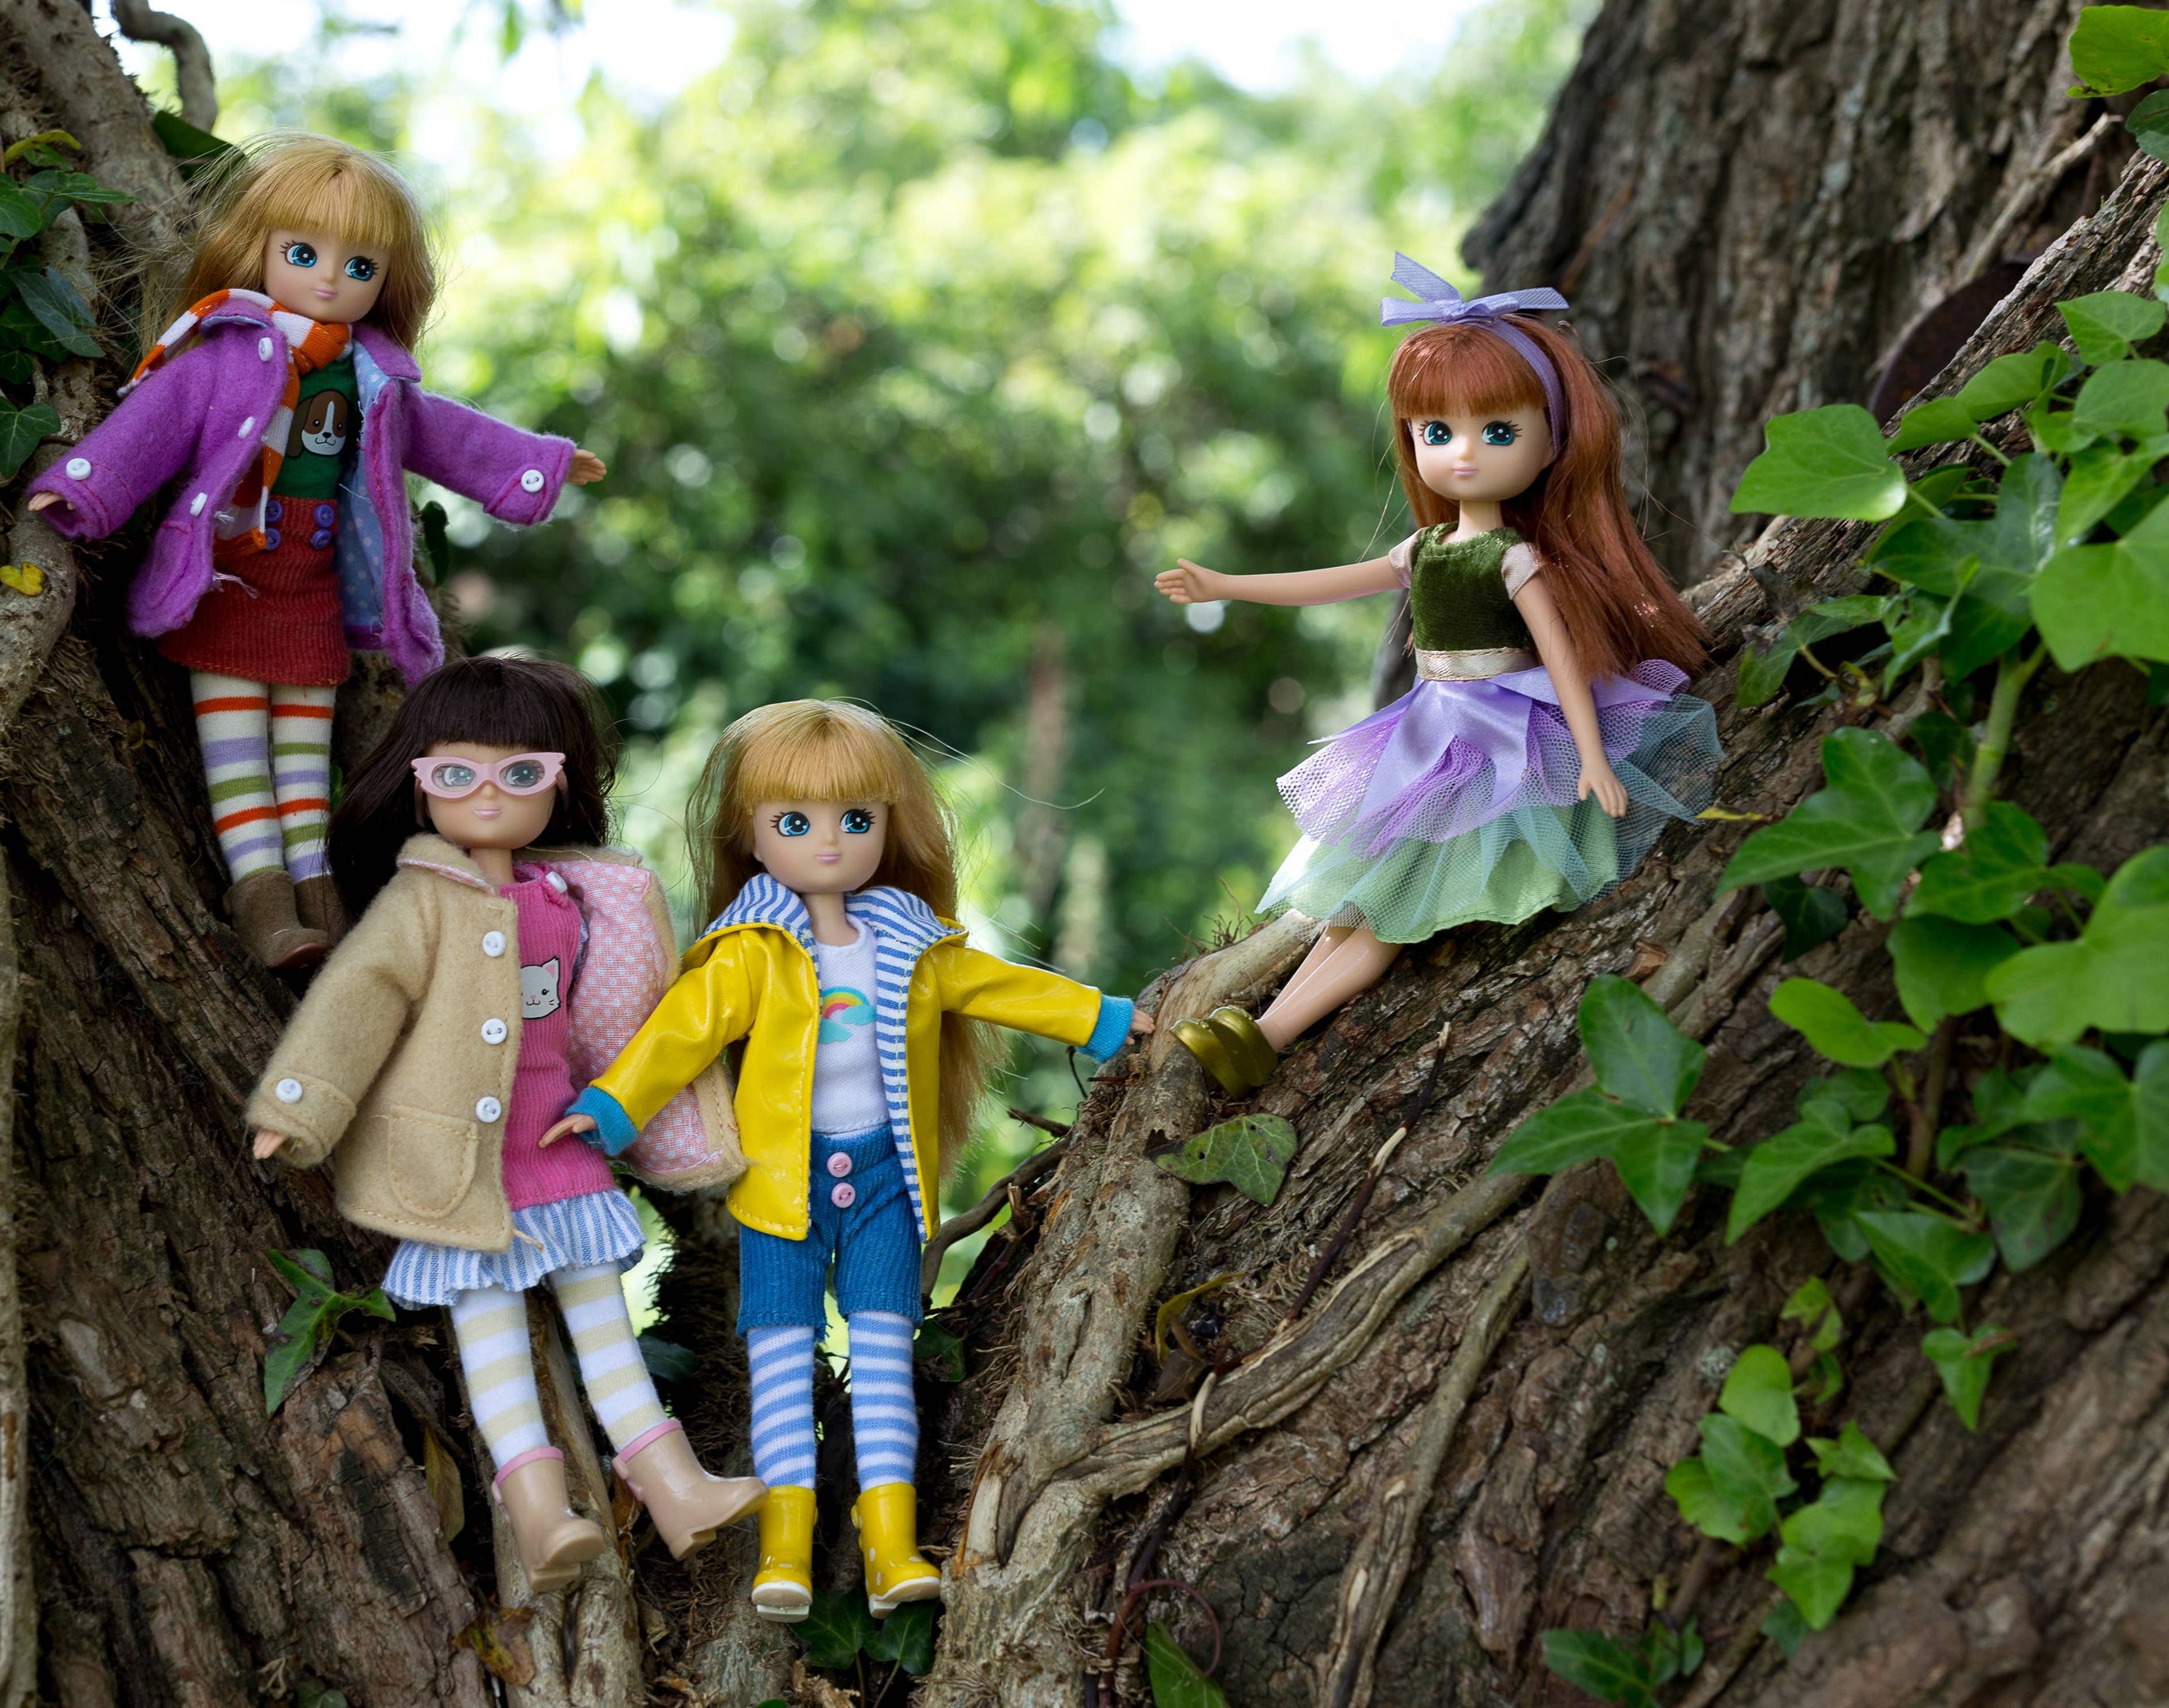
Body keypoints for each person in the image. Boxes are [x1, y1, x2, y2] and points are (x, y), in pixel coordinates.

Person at [542, 701, 1154, 1622]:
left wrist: (1103, 1019)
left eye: (854, 819)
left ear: (887, 826)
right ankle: (785, 1546)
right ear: (750, 836)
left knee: (882, 1357)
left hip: (884, 1183)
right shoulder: (750, 952)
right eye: (794, 823)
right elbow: (680, 1031)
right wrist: (610, 1105)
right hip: (778, 1189)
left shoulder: (912, 943)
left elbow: (1001, 988)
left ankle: (887, 1538)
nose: (827, 843)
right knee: (780, 1361)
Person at [241, 655, 760, 1593]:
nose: (488, 794)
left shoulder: (570, 899)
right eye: (457, 774)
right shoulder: (418, 902)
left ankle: (672, 1484)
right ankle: (537, 1510)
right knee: (492, 1343)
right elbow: (359, 998)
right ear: (419, 783)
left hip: (558, 1153)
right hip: (458, 1168)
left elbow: (610, 1020)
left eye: (520, 773)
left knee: (604, 1325)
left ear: (559, 784)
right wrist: (300, 1103)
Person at [28, 132, 604, 967]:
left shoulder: (371, 378)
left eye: (359, 266)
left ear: (388, 280)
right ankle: (262, 898)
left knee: (303, 767)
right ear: (258, 249)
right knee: (237, 757)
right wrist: (83, 487)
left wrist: (538, 462)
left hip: (312, 598)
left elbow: (447, 434)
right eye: (303, 254)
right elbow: (149, 426)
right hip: (224, 587)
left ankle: (319, 895)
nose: (330, 279)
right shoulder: (222, 356)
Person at [1154, 256, 1721, 1094]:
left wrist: (1593, 756)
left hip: (1501, 735)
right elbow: (1330, 583)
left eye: (1498, 433)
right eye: (1435, 433)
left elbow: (1562, 657)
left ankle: (1267, 1032)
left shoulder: (1514, 557)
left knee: (1391, 906)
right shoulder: (1423, 549)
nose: (1462, 455)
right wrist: (1226, 585)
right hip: (1426, 730)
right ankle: (1253, 1030)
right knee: (1355, 899)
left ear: (1551, 441)